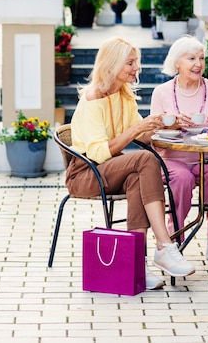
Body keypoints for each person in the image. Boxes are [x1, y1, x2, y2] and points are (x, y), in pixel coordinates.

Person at [66, 37, 196, 290]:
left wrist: (164, 124)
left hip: (108, 170)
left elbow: (142, 137)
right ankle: (165, 245)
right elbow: (100, 152)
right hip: (84, 174)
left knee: (139, 175)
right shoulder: (94, 99)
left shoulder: (124, 96)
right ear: (113, 65)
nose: (136, 68)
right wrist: (138, 127)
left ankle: (137, 266)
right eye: (130, 63)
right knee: (144, 160)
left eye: (136, 62)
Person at [150, 35, 208, 261]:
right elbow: (153, 133)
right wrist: (171, 122)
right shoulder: (162, 92)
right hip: (172, 159)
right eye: (191, 58)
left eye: (202, 58)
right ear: (177, 63)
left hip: (206, 158)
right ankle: (175, 237)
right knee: (182, 179)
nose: (198, 64)